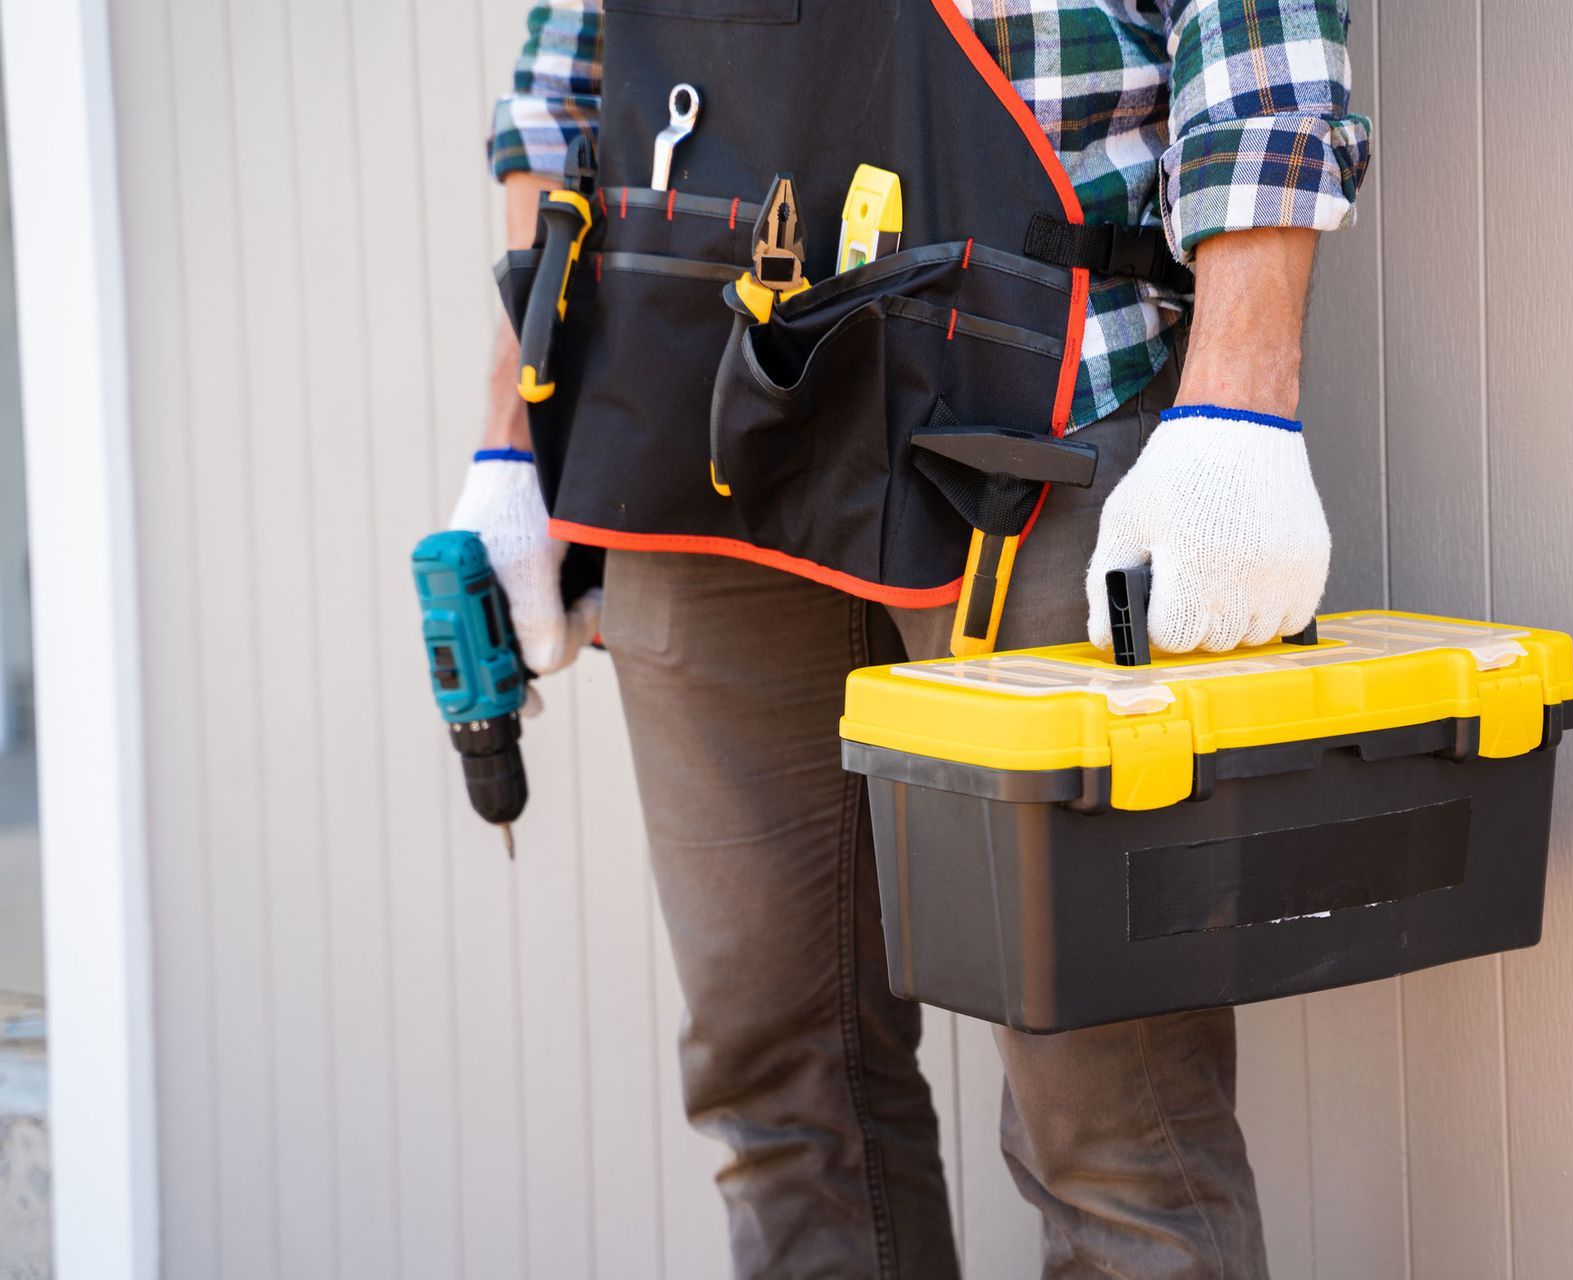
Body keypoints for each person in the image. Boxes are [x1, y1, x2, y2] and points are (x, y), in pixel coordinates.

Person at [454, 2, 1370, 1275]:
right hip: (688, 420)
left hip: (1032, 400)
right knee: (779, 1085)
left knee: (1112, 1129)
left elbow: (1257, 34)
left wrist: (1244, 397)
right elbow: (562, 81)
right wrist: (515, 431)